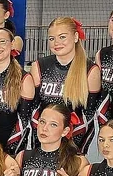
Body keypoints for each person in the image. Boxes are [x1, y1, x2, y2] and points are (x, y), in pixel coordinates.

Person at [29, 17, 101, 153]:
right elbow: (34, 108)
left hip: (74, 140)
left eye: (62, 37)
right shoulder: (39, 66)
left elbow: (89, 113)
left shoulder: (90, 70)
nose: (56, 43)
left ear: (75, 37)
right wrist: (42, 137)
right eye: (52, 38)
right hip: (43, 139)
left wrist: (73, 144)